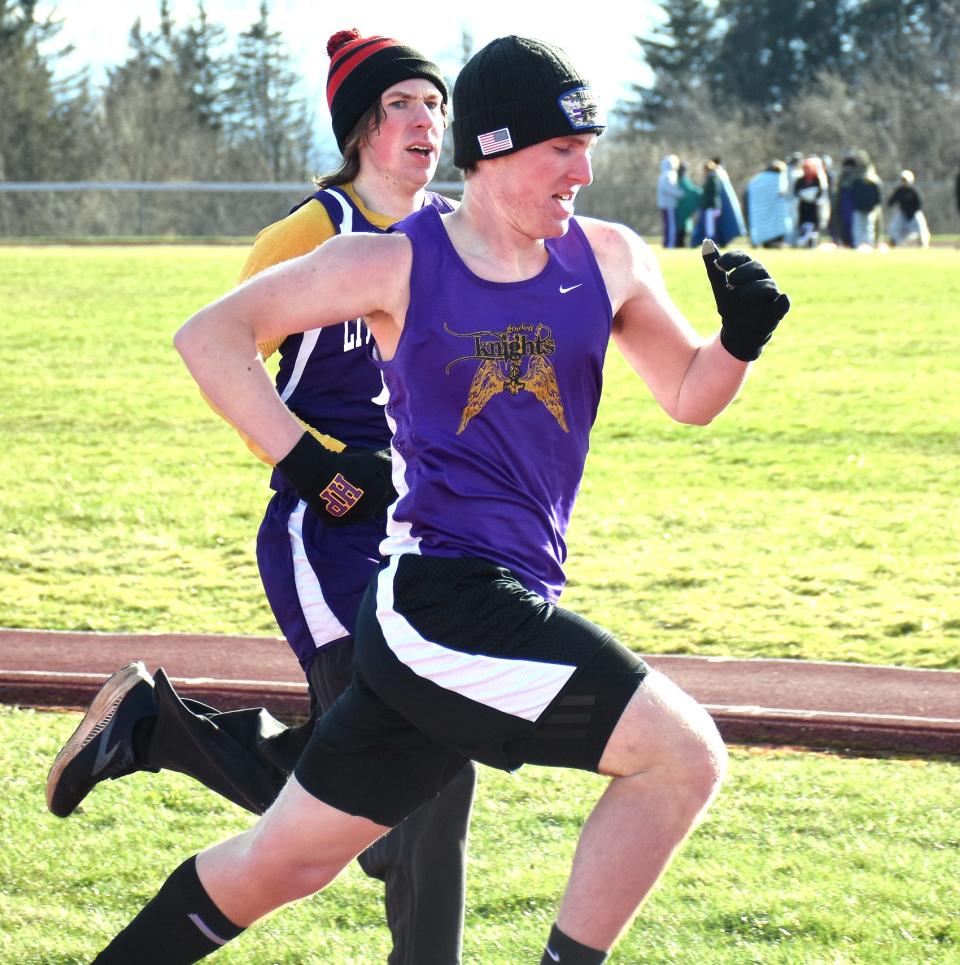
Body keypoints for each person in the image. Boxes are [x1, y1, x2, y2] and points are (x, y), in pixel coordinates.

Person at [83, 35, 790, 964]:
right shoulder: (395, 261)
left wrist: (739, 338)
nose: (584, 170)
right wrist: (309, 464)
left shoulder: (610, 258)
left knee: (279, 865)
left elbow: (691, 395)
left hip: (479, 611)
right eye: (561, 151)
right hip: (443, 599)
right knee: (683, 756)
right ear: (493, 151)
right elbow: (210, 335)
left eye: (590, 146)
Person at [46, 28, 477, 965]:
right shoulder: (312, 231)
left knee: (392, 790)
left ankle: (159, 725)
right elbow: (219, 351)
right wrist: (314, 467)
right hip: (326, 537)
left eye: (435, 105)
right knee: (410, 789)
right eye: (402, 104)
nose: (423, 121)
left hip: (421, 539)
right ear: (362, 127)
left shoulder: (450, 234)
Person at [745, 159, 793, 248]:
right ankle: (775, 242)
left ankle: (764, 241)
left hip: (759, 208)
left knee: (763, 225)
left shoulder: (757, 179)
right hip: (774, 209)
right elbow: (782, 192)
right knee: (775, 224)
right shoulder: (779, 178)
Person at [886, 169, 930, 247]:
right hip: (903, 214)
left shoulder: (914, 191)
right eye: (903, 179)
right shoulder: (899, 191)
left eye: (905, 179)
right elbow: (890, 202)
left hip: (914, 214)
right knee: (893, 227)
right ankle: (894, 242)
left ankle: (923, 243)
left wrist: (912, 212)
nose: (904, 181)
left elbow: (919, 204)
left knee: (921, 227)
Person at [850, 150, 883, 248]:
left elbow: (878, 194)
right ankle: (857, 245)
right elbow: (853, 192)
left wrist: (875, 205)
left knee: (869, 228)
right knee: (858, 228)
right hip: (858, 207)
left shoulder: (873, 180)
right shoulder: (855, 177)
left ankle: (870, 245)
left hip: (870, 208)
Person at [794, 156, 828, 248]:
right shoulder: (800, 180)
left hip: (814, 207)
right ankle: (803, 242)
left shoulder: (818, 180)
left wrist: (813, 196)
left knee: (814, 227)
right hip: (803, 206)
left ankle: (813, 243)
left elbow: (821, 193)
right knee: (803, 225)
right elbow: (796, 191)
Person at [656, 153, 685, 248]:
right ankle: (670, 243)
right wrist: (680, 193)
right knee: (671, 226)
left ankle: (667, 243)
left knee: (668, 225)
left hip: (666, 204)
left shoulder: (664, 175)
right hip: (669, 205)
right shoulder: (669, 175)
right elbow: (668, 189)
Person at [675, 160, 702, 248]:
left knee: (684, 226)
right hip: (682, 207)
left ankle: (681, 243)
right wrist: (700, 192)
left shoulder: (682, 179)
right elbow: (689, 190)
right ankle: (680, 243)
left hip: (682, 207)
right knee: (682, 226)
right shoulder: (681, 179)